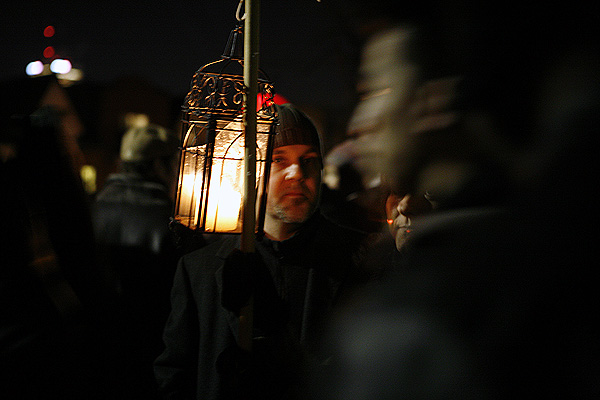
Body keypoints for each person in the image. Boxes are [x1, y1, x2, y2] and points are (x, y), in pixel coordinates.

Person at [309, 1, 600, 399]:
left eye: (376, 90)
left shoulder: (420, 322)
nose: (361, 122)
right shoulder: (549, 249)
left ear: (436, 99)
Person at [154, 103, 369, 400]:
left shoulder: (363, 259)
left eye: (308, 160)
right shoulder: (199, 271)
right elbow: (176, 374)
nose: (297, 172)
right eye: (278, 159)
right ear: (250, 172)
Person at [91, 122, 180, 398]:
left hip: (96, 347)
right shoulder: (169, 222)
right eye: (175, 164)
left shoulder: (92, 209)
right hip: (150, 351)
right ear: (159, 166)